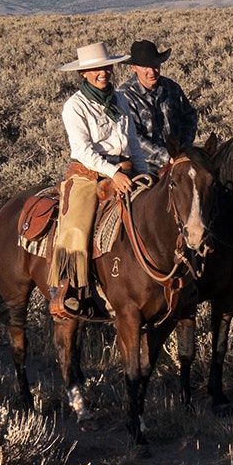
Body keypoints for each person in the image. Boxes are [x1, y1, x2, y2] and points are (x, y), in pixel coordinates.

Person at [52, 42, 147, 318]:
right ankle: (69, 289)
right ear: (84, 73)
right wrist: (112, 173)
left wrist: (143, 172)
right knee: (77, 224)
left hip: (126, 169)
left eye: (105, 67)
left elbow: (133, 142)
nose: (102, 73)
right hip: (89, 174)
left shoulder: (120, 100)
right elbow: (82, 150)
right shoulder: (75, 106)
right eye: (95, 69)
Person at [117, 39, 199, 173]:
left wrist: (184, 147)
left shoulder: (171, 88)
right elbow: (132, 137)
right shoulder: (124, 96)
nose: (152, 71)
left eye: (155, 65)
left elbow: (189, 116)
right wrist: (166, 157)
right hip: (145, 168)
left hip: (179, 162)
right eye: (145, 67)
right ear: (134, 68)